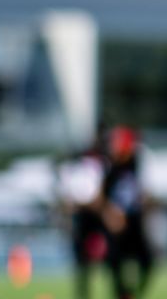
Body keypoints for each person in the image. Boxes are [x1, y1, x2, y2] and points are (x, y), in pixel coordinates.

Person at [100, 125, 153, 299]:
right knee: (114, 261)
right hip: (115, 224)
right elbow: (101, 197)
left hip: (134, 221)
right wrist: (111, 215)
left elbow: (143, 192)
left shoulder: (137, 163)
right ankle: (122, 293)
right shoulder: (109, 168)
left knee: (147, 259)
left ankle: (133, 292)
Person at [57, 127, 110, 299]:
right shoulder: (83, 165)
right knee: (83, 265)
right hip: (84, 220)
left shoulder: (99, 164)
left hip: (95, 219)